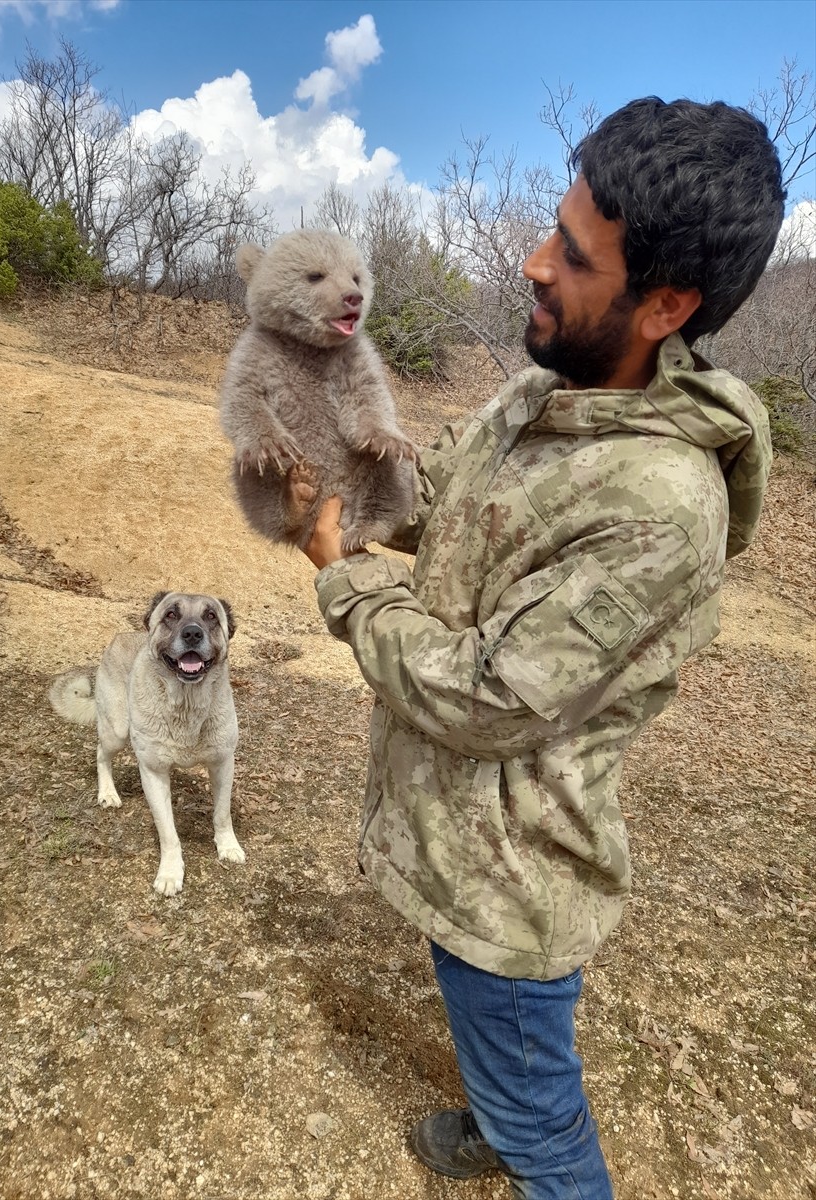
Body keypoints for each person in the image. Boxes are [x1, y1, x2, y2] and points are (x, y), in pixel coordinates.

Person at [292, 97, 785, 1198]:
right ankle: (497, 1112)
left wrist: (341, 580)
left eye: (571, 253)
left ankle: (528, 1144)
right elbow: (447, 486)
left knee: (540, 1102)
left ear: (667, 305)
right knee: (504, 1051)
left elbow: (486, 698)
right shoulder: (547, 391)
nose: (531, 263)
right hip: (457, 840)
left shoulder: (660, 507)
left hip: (512, 883)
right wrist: (349, 486)